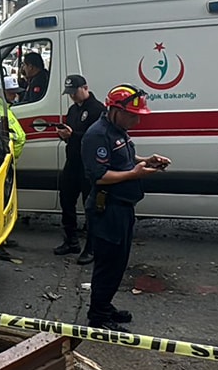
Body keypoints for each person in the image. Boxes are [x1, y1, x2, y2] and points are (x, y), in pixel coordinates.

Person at [81, 83, 170, 332]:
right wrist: (134, 173)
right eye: (132, 115)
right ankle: (98, 316)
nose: (136, 121)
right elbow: (98, 176)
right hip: (107, 209)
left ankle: (104, 304)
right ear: (115, 110)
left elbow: (125, 160)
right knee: (108, 263)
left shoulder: (117, 130)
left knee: (118, 263)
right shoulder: (97, 135)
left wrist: (146, 161)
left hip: (123, 208)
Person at [54, 75, 106, 263]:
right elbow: (73, 134)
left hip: (89, 165)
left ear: (85, 88)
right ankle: (71, 240)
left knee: (90, 206)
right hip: (72, 162)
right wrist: (65, 135)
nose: (72, 97)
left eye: (74, 92)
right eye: (69, 94)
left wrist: (73, 134)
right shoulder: (73, 110)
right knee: (66, 200)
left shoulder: (97, 110)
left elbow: (97, 138)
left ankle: (91, 248)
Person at [0, 76, 26, 160]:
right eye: (11, 93)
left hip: (10, 158)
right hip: (4, 159)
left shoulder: (3, 105)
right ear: (1, 92)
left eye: (15, 93)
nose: (15, 96)